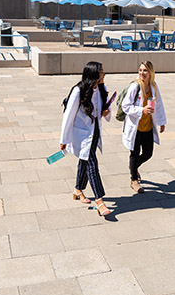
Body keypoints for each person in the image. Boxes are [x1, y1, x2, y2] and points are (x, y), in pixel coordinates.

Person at [60, 61, 112, 217]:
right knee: (92, 164)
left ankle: (77, 190)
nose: (104, 74)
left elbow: (104, 110)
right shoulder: (78, 91)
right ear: (94, 74)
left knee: (84, 161)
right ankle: (99, 201)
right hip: (81, 134)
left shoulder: (100, 89)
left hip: (94, 132)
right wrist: (64, 139)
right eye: (101, 72)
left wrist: (106, 112)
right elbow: (68, 116)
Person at [121, 60, 167, 193]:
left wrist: (161, 121)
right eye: (140, 70)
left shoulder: (153, 86)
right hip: (135, 127)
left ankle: (133, 166)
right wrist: (141, 110)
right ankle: (134, 180)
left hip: (147, 126)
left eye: (145, 70)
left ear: (151, 72)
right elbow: (125, 106)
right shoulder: (135, 86)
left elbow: (158, 104)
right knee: (134, 153)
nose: (142, 73)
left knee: (148, 153)